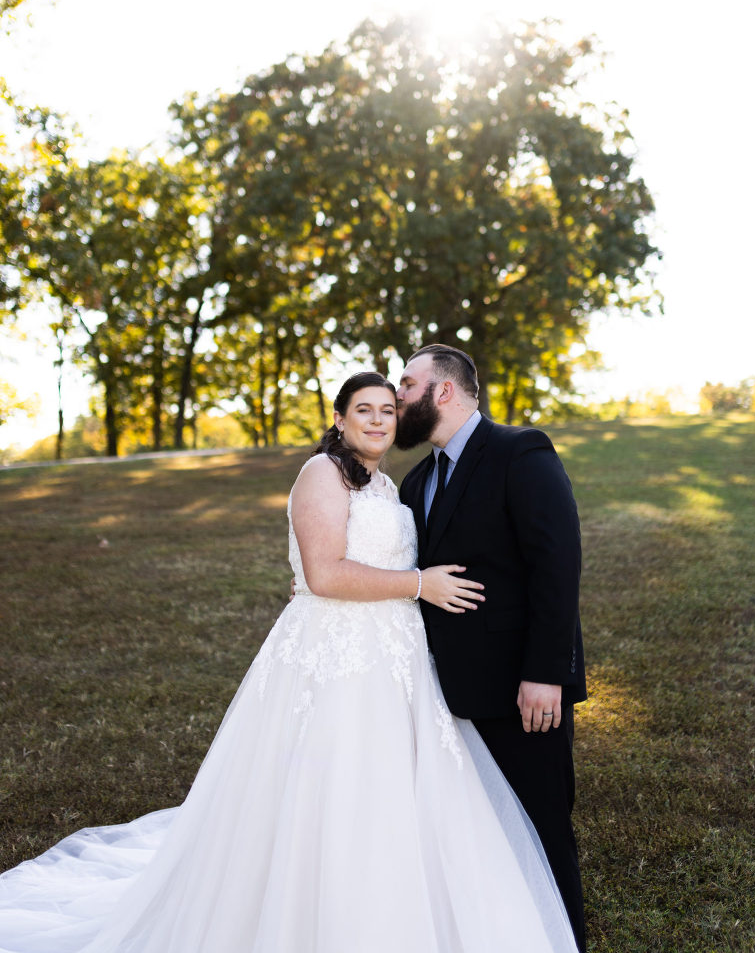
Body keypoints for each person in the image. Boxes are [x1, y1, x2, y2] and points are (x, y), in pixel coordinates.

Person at [0, 372, 578, 953]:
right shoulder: (320, 474)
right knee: (331, 786)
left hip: (396, 659)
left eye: (388, 408)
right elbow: (324, 574)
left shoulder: (386, 486)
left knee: (399, 792)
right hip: (335, 657)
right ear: (339, 419)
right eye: (365, 409)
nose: (380, 418)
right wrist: (418, 583)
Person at [397, 345, 587, 953]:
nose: (398, 398)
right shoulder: (416, 480)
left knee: (540, 827)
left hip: (519, 690)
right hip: (447, 695)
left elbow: (556, 565)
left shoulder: (519, 450)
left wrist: (544, 674)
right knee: (478, 835)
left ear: (444, 391)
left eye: (407, 385)